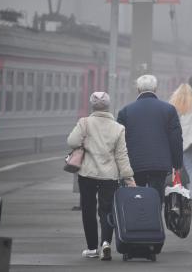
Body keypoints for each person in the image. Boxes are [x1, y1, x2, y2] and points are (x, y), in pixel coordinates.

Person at [67, 92, 136, 260]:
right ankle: (106, 243)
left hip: (87, 174)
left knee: (88, 210)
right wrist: (128, 177)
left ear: (92, 106)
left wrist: (85, 140)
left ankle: (92, 248)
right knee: (106, 210)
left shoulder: (84, 123)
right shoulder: (118, 128)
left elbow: (72, 141)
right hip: (109, 176)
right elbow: (122, 155)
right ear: (108, 106)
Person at [117, 75, 183, 204]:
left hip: (134, 163)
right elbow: (176, 139)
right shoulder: (169, 110)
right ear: (156, 89)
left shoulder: (125, 111)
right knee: (156, 197)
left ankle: (138, 220)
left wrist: (119, 165)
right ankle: (155, 221)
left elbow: (119, 141)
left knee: (136, 197)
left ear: (138, 89)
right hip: (159, 164)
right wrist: (177, 164)